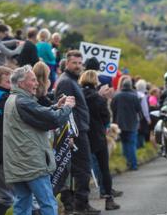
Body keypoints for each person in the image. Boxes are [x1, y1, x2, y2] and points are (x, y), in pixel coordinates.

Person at [3, 65, 74, 215]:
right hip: (32, 164)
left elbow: (40, 113)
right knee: (48, 203)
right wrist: (67, 107)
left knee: (22, 205)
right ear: (22, 83)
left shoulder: (14, 99)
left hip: (19, 163)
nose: (37, 83)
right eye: (33, 80)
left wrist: (56, 106)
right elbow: (54, 120)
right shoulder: (23, 101)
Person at [55, 50, 100, 215]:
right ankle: (81, 205)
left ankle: (77, 203)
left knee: (80, 169)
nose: (78, 66)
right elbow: (65, 110)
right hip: (75, 132)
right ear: (67, 64)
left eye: (80, 63)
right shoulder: (66, 82)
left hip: (80, 130)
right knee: (83, 168)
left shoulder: (73, 81)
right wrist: (70, 134)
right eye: (74, 63)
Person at [80, 70, 121, 211]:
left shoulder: (78, 94)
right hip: (98, 135)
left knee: (84, 170)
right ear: (95, 81)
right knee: (104, 169)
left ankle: (82, 201)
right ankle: (108, 198)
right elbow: (106, 118)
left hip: (83, 135)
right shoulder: (99, 98)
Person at [111, 77, 142, 171]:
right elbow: (139, 110)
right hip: (132, 123)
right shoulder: (134, 96)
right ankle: (134, 164)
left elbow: (113, 108)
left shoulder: (117, 96)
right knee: (132, 144)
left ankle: (127, 162)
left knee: (124, 143)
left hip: (120, 123)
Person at [0, 67, 13, 215]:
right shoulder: (5, 98)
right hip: (0, 154)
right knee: (7, 197)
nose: (11, 84)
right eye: (8, 81)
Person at [135, 79, 151, 147]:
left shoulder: (134, 93)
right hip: (142, 116)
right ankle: (140, 146)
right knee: (141, 132)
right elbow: (145, 109)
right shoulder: (142, 96)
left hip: (134, 116)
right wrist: (148, 119)